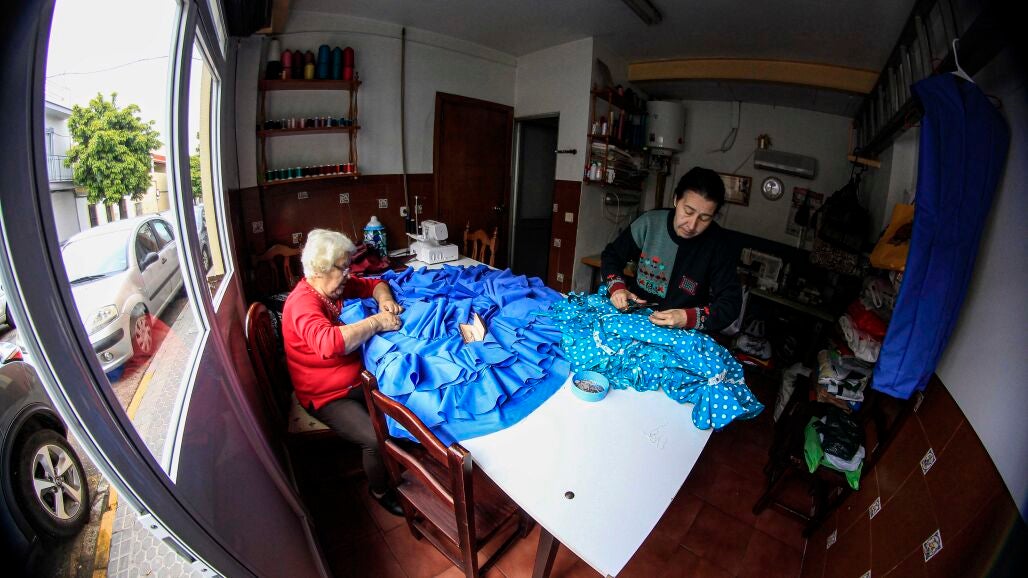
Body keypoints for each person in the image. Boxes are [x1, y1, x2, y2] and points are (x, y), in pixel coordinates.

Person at [281, 229, 406, 516]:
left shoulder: (331, 288)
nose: (348, 274)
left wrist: (384, 300)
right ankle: (379, 490)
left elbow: (375, 283)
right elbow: (330, 343)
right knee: (373, 437)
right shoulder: (303, 303)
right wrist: (377, 322)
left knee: (400, 399)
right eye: (343, 268)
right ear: (320, 270)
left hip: (352, 379)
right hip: (326, 394)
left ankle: (400, 456)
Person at [601, 166, 742, 333]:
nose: (692, 225)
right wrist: (617, 288)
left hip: (683, 331)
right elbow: (612, 256)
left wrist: (686, 317)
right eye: (688, 211)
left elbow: (730, 303)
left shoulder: (718, 245)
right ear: (676, 199)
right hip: (637, 317)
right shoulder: (650, 222)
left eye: (704, 218)